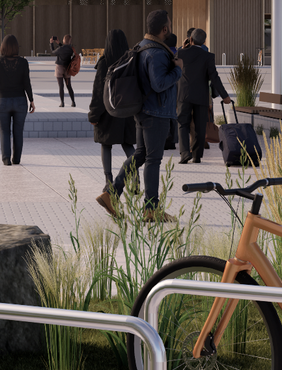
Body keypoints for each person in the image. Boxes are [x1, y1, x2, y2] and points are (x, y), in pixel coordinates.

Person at [128, 12, 181, 220]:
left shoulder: (142, 46)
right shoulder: (156, 53)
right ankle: (151, 209)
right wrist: (178, 71)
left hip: (145, 110)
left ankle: (113, 190)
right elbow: (159, 84)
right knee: (153, 160)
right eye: (170, 24)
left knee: (142, 155)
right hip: (155, 112)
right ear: (165, 29)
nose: (171, 28)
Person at [88, 27, 138, 218]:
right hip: (128, 110)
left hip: (109, 111)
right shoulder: (131, 60)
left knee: (106, 145)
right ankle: (136, 179)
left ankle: (109, 181)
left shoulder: (105, 62)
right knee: (129, 145)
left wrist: (94, 115)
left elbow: (98, 91)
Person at [177, 27, 231, 164]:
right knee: (200, 127)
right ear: (204, 42)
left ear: (190, 39)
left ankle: (184, 154)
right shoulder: (208, 56)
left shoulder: (181, 53)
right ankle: (196, 156)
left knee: (183, 124)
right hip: (201, 96)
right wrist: (224, 96)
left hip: (184, 95)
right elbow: (214, 77)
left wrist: (183, 49)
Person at [0, 35, 36, 166]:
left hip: (3, 100)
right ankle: (17, 159)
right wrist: (31, 100)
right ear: (16, 47)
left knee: (4, 131)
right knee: (18, 131)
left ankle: (6, 158)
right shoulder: (23, 62)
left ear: (3, 47)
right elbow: (27, 83)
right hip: (20, 101)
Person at [52, 34, 78, 107]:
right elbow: (65, 48)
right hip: (67, 68)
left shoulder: (60, 49)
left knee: (61, 86)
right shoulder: (71, 49)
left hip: (59, 68)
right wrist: (59, 43)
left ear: (63, 40)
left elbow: (53, 51)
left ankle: (62, 103)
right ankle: (73, 102)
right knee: (69, 85)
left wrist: (51, 43)